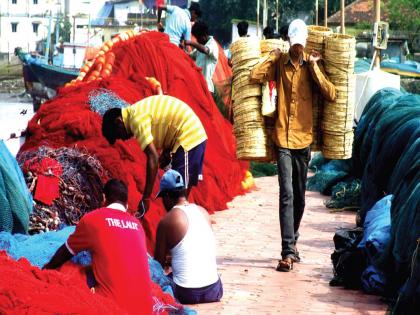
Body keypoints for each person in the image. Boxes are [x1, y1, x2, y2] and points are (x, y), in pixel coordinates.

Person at [250, 19, 336, 272]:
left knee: (299, 197)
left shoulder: (312, 65)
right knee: (286, 193)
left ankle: (293, 241)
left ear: (305, 43)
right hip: (282, 138)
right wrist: (272, 57)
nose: (298, 49)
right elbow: (255, 75)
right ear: (289, 41)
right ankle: (287, 250)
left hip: (304, 139)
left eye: (301, 45)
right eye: (294, 45)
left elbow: (331, 93)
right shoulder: (280, 63)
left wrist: (315, 68)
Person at [44, 179, 153, 314]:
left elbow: (66, 251)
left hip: (113, 309)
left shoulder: (94, 219)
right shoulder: (138, 226)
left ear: (104, 198)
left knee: (72, 271)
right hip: (147, 310)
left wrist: (47, 269)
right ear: (126, 203)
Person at [102, 95, 207, 213]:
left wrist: (146, 198)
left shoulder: (136, 119)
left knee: (178, 197)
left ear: (119, 121)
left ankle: (181, 226)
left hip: (189, 135)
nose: (122, 139)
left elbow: (153, 157)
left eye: (118, 135)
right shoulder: (135, 113)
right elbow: (168, 122)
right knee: (179, 198)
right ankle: (180, 224)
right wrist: (167, 152)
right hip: (187, 136)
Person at [154, 169, 223, 304]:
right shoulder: (203, 211)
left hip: (185, 293)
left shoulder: (167, 220)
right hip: (214, 290)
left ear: (167, 196)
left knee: (154, 274)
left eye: (163, 198)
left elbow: (158, 265)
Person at [185, 21, 219, 94]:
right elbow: (189, 56)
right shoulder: (200, 47)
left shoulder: (212, 45)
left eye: (198, 38)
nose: (197, 40)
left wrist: (191, 43)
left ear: (204, 35)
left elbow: (205, 50)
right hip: (197, 86)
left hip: (207, 88)